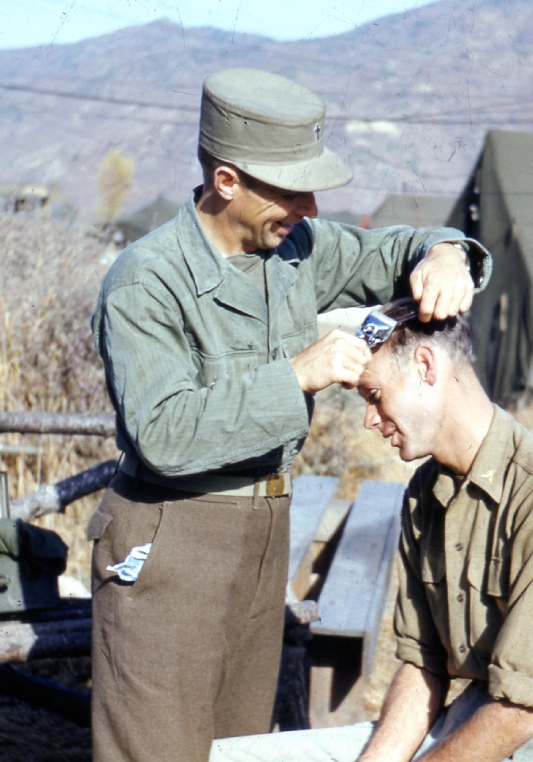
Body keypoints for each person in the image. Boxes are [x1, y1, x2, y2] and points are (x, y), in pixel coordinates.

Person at [87, 69, 491, 762]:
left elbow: (395, 251)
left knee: (239, 750)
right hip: (173, 535)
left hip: (264, 531)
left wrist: (446, 252)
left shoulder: (295, 248)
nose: (308, 205)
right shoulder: (146, 280)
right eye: (290, 187)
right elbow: (163, 434)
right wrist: (297, 375)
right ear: (226, 182)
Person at [211, 303, 533, 762]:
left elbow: (522, 710)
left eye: (374, 394)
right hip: (480, 709)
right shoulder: (428, 490)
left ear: (425, 366)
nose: (370, 419)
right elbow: (423, 662)